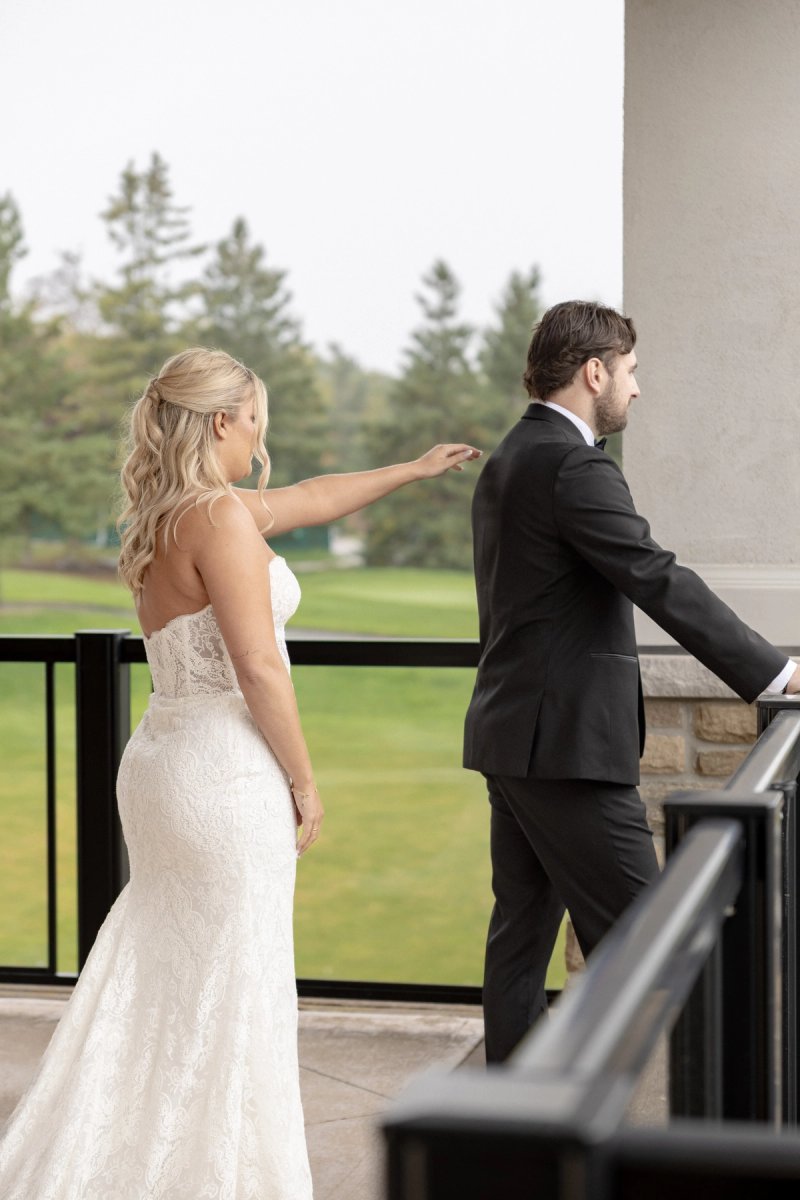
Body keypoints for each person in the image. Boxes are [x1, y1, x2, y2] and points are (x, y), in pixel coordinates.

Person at [0, 347, 480, 1199]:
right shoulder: (217, 518)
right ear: (223, 421)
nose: (261, 437)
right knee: (233, 983)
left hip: (161, 760)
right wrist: (304, 780)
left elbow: (307, 498)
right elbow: (259, 666)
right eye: (255, 419)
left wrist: (411, 469)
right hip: (220, 776)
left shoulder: (168, 511)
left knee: (165, 972)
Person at [463, 300, 800, 1064]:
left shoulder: (511, 456)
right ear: (594, 371)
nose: (637, 389)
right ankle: (700, 1141)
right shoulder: (572, 465)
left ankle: (510, 1133)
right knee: (661, 943)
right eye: (631, 371)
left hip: (511, 735)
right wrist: (774, 672)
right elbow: (656, 577)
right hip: (567, 750)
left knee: (519, 940)